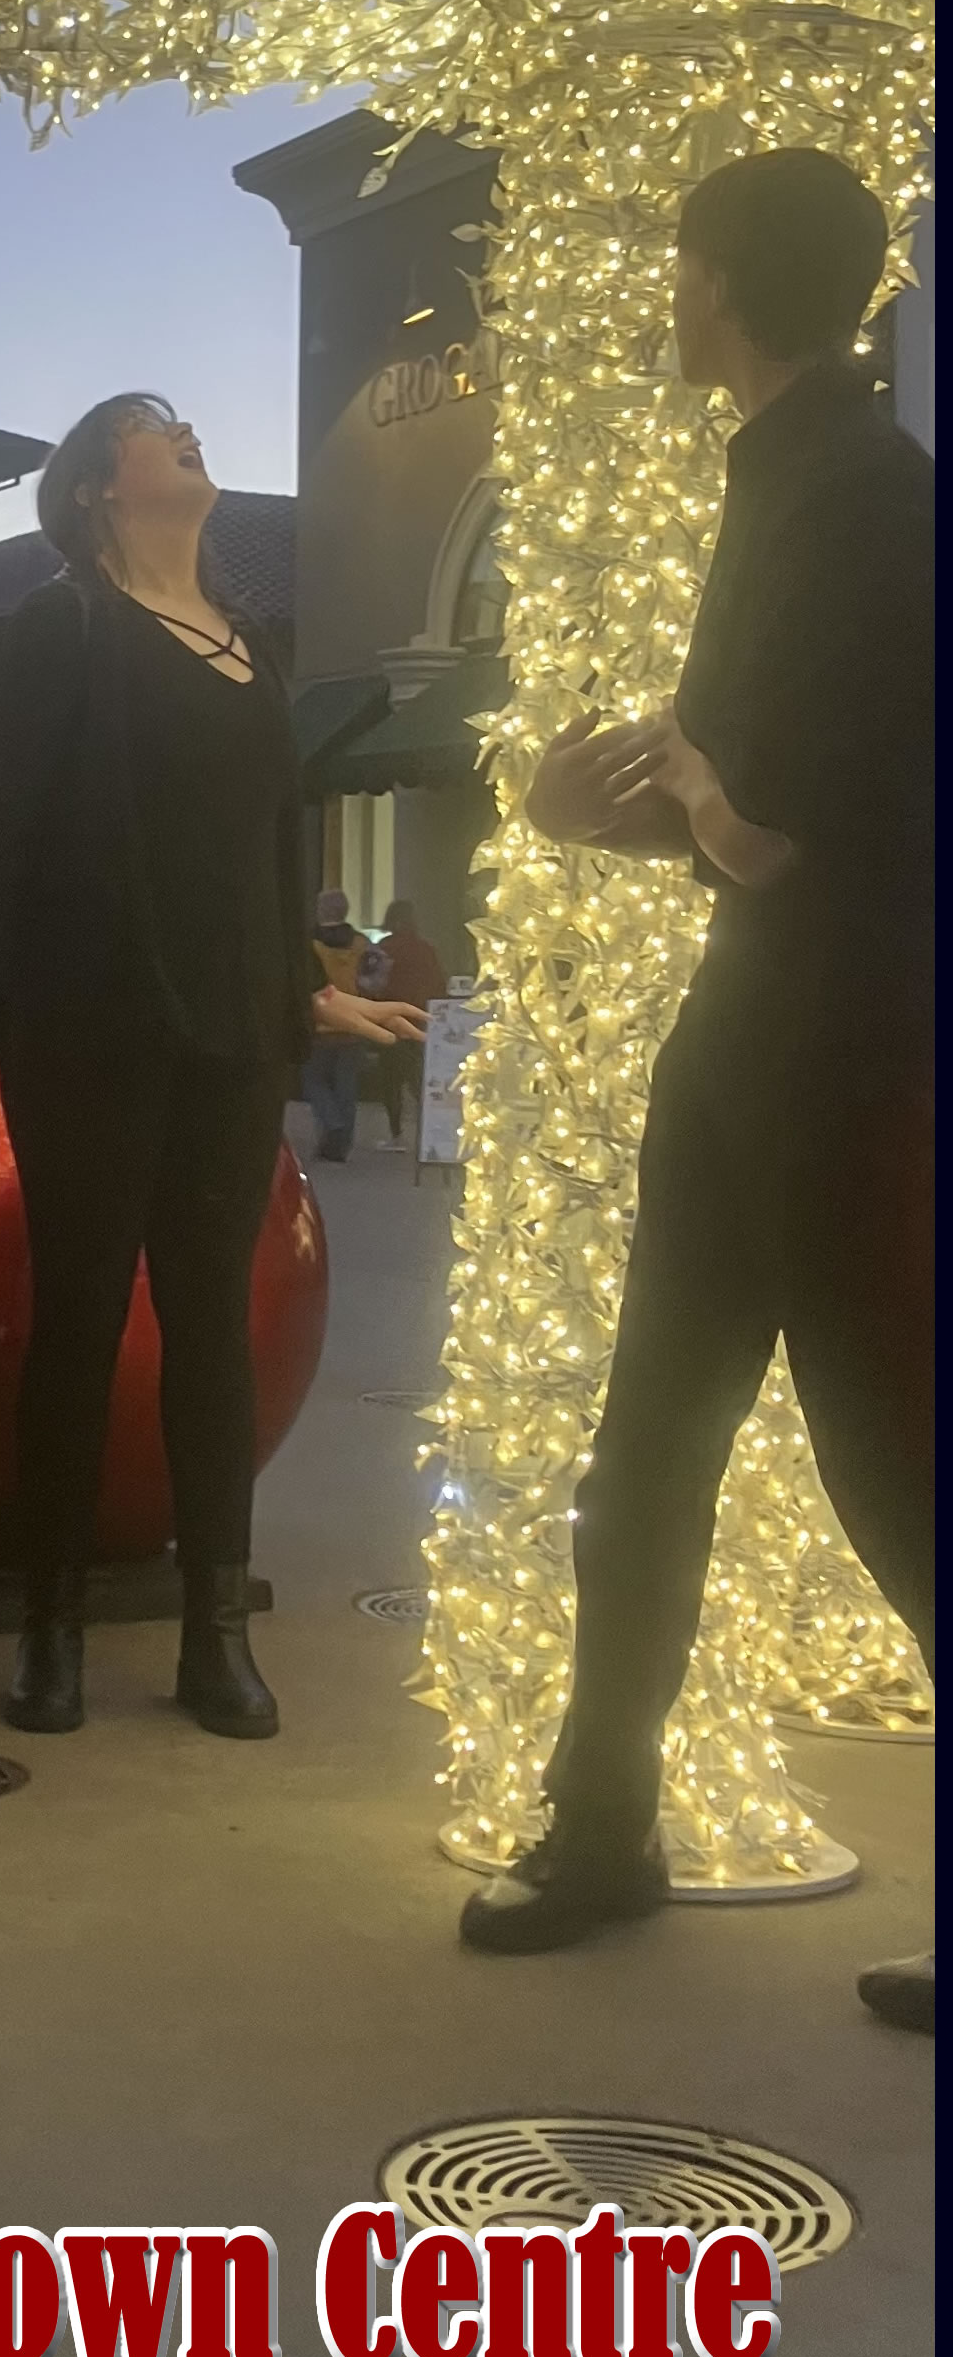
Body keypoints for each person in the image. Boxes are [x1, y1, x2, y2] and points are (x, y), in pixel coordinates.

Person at [459, 149, 934, 2031]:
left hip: (841, 1059)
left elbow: (808, 816)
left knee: (895, 1469)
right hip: (759, 1044)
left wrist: (673, 798)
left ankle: (599, 1835)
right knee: (643, 1449)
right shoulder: (801, 473)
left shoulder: (863, 499)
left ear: (723, 279)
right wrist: (644, 809)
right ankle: (600, 1830)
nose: (663, 297)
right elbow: (760, 813)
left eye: (676, 264)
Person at [0, 395, 422, 1741]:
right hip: (91, 1036)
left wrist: (303, 995)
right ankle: (50, 1629)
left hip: (233, 1038)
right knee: (83, 1323)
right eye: (159, 427)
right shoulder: (61, 631)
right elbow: (3, 839)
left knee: (212, 1327)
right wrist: (13, 998)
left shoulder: (249, 647)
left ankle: (215, 1631)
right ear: (104, 484)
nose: (190, 434)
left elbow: (270, 851)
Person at [360, 898, 449, 1142]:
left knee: (391, 1078)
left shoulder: (385, 948)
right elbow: (439, 984)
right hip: (420, 1018)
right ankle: (429, 1131)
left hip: (391, 1018)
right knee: (418, 1076)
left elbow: (371, 984)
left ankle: (396, 1132)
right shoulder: (425, 948)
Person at [304, 886, 372, 1159]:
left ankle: (331, 1126)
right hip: (353, 1022)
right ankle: (340, 1146)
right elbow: (373, 980)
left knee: (313, 1081)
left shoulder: (310, 944)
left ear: (320, 910)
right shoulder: (361, 943)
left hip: (320, 1022)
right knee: (347, 1088)